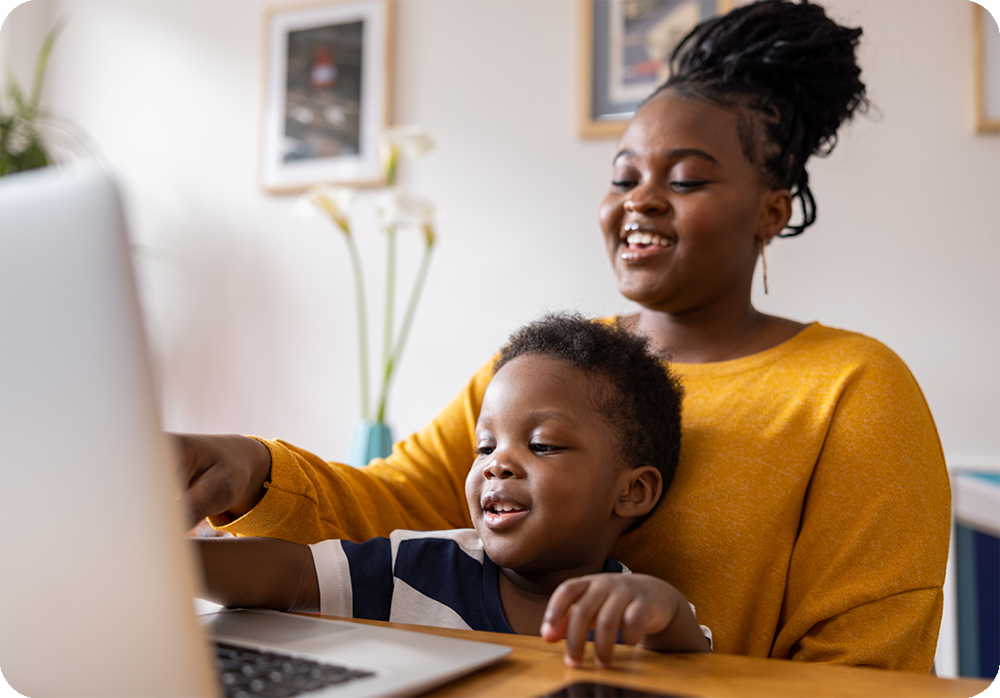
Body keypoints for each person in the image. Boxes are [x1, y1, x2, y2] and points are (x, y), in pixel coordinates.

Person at [180, 0, 950, 672]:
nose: (641, 201)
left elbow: (863, 665)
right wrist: (249, 468)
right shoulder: (548, 370)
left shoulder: (851, 387)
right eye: (623, 177)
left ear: (771, 212)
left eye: (684, 180)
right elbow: (392, 515)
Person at [196, 315, 711, 667]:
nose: (497, 464)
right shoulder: (415, 567)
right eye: (484, 447)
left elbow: (696, 665)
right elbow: (289, 575)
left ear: (633, 492)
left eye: (542, 445)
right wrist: (157, 561)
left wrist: (663, 610)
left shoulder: (635, 611)